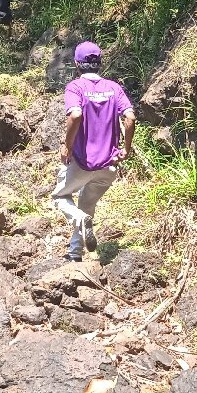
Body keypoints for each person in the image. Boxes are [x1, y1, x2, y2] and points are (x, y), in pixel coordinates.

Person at [51, 42, 136, 262]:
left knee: (59, 196)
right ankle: (74, 253)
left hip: (82, 162)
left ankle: (80, 220)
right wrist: (126, 149)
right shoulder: (113, 87)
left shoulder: (75, 87)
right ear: (99, 63)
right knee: (87, 204)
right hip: (109, 165)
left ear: (77, 64)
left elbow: (76, 114)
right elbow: (130, 117)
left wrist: (67, 146)